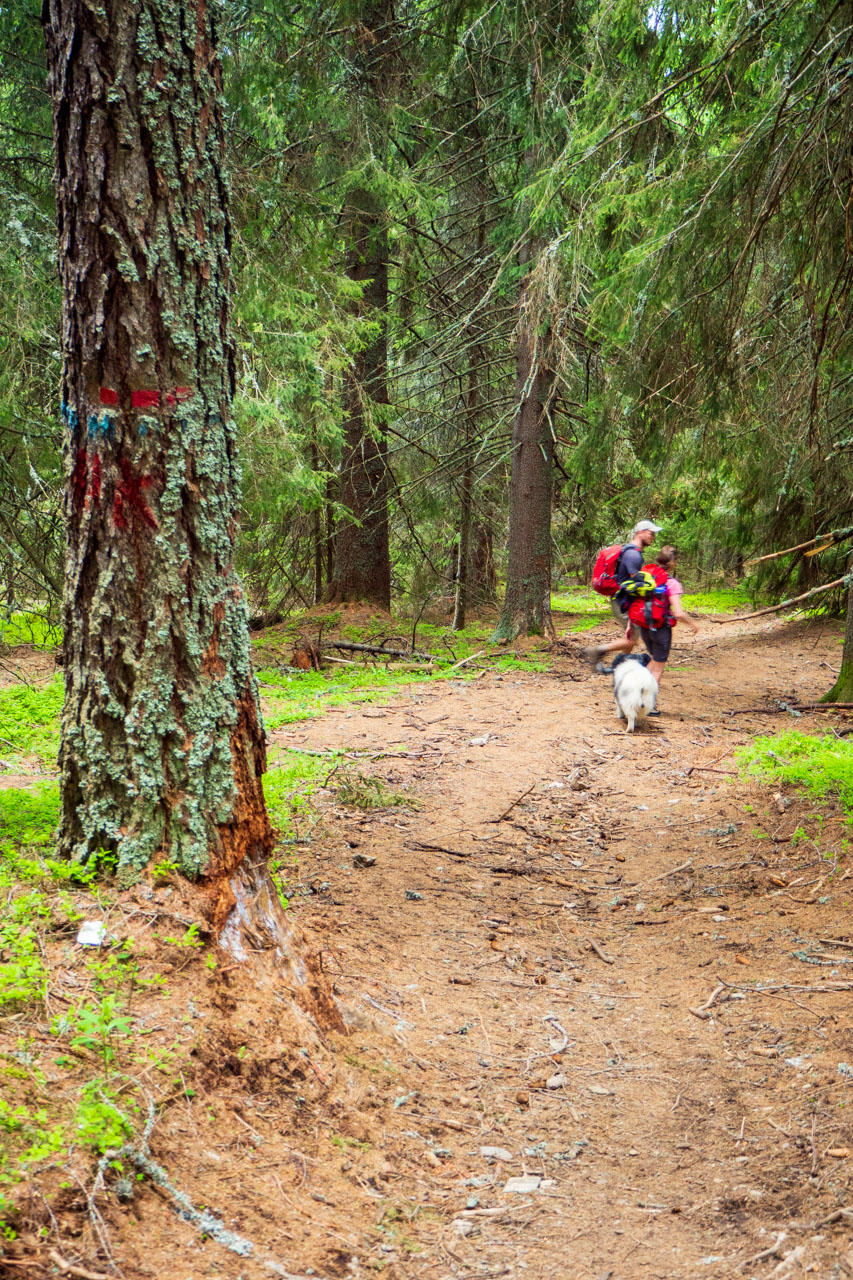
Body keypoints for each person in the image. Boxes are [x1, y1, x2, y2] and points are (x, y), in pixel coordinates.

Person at [582, 519, 663, 668]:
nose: (653, 537)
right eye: (651, 533)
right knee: (632, 639)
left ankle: (621, 664)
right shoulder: (633, 555)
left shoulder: (630, 551)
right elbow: (635, 583)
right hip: (623, 602)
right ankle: (596, 651)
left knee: (632, 637)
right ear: (640, 532)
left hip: (623, 601)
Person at [628, 545, 699, 696]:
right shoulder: (671, 583)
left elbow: (634, 602)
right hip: (661, 628)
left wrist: (630, 625)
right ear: (673, 563)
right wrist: (692, 624)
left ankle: (634, 697)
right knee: (657, 667)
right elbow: (678, 612)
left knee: (654, 660)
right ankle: (645, 702)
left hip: (644, 626)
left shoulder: (646, 577)